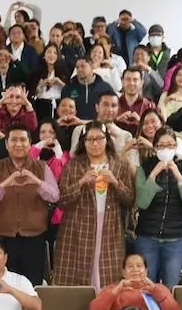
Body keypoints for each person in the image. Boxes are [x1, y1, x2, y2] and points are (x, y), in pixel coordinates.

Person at [55, 122, 135, 289]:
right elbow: (62, 200)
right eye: (90, 139)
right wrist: (81, 182)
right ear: (83, 142)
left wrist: (115, 181)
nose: (95, 143)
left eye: (99, 138)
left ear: (107, 140)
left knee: (107, 277)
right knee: (78, 277)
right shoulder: (73, 165)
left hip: (109, 229)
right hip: (77, 230)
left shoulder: (120, 165)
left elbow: (129, 200)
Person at [0, 127, 59, 285]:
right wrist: (5, 184)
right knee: (5, 285)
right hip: (5, 238)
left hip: (34, 238)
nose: (18, 144)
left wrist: (37, 182)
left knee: (32, 285)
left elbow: (54, 196)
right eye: (14, 140)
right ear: (6, 144)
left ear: (30, 144)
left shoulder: (41, 167)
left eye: (23, 140)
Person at [132, 127, 182, 288]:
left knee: (170, 286)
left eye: (170, 145)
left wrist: (178, 176)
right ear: (154, 148)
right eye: (161, 145)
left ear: (176, 147)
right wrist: (154, 174)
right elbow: (142, 202)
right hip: (147, 237)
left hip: (175, 239)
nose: (166, 149)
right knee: (145, 285)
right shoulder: (144, 169)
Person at [90, 252, 182, 310]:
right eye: (130, 266)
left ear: (146, 271)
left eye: (139, 266)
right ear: (123, 272)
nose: (135, 270)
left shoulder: (158, 288)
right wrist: (116, 291)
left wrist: (155, 290)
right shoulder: (113, 289)